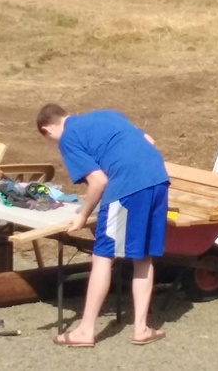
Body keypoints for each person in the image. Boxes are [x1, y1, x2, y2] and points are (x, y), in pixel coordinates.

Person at [36, 104, 169, 347]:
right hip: (158, 178)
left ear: (47, 129)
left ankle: (85, 331)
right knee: (143, 257)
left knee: (104, 255)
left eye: (50, 139)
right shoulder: (107, 115)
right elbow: (148, 140)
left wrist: (82, 215)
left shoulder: (67, 138)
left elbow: (98, 180)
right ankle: (141, 328)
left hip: (127, 187)